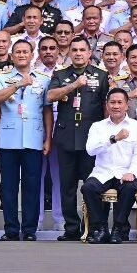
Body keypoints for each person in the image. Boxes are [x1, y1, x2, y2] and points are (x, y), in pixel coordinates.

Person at [46, 37, 112, 241]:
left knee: (93, 184)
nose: (78, 53)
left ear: (89, 53)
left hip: (91, 140)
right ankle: (72, 228)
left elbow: (106, 107)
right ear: (69, 53)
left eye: (82, 49)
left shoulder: (101, 76)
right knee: (67, 186)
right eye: (74, 50)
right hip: (66, 138)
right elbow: (50, 96)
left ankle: (93, 227)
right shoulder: (60, 74)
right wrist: (74, 85)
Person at [0, 38, 51, 240]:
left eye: (26, 51)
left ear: (32, 55)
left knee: (32, 186)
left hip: (33, 138)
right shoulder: (2, 77)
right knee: (8, 186)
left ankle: (29, 230)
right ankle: (10, 229)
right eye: (18, 52)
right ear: (11, 55)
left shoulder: (44, 79)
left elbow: (47, 111)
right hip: (8, 139)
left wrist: (48, 139)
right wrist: (18, 84)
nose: (22, 55)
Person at [81, 88, 137, 244]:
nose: (116, 106)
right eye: (112, 102)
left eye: (119, 103)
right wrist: (113, 139)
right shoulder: (98, 126)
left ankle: (118, 228)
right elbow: (90, 151)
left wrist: (131, 172)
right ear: (106, 105)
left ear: (127, 105)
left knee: (129, 187)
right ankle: (101, 229)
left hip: (127, 172)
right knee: (88, 188)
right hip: (103, 172)